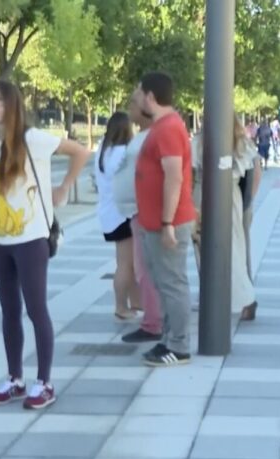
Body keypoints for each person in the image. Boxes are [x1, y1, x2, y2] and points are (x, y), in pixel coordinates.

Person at [0, 80, 89, 410]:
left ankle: (44, 382)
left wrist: (64, 187)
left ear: (12, 103)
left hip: (31, 239)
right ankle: (15, 378)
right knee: (8, 311)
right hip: (0, 240)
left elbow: (80, 151)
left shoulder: (32, 139)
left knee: (36, 309)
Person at [135, 72, 197, 366]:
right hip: (157, 222)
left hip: (167, 223)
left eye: (138, 95)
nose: (136, 100)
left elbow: (174, 177)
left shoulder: (168, 129)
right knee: (165, 282)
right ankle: (171, 340)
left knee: (172, 283)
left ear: (150, 96)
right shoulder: (165, 127)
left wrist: (167, 223)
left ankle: (179, 345)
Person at [193, 115, 262, 320]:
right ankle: (238, 298)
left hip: (202, 194)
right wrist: (247, 201)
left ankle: (229, 297)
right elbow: (255, 173)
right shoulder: (242, 143)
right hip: (231, 196)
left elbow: (188, 172)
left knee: (204, 250)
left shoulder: (198, 142)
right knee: (235, 249)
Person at [114, 87, 164, 343]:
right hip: (137, 213)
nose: (130, 108)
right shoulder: (142, 136)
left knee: (149, 270)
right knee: (143, 270)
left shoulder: (152, 137)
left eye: (133, 102)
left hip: (147, 214)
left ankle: (155, 324)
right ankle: (153, 320)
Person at [95, 111, 142, 319]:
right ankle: (121, 307)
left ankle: (136, 303)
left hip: (108, 213)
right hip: (124, 213)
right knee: (127, 264)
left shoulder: (103, 151)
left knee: (125, 262)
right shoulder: (125, 152)